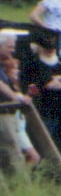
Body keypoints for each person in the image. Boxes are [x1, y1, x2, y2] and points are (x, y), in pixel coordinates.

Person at [19, 29, 61, 155]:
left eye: (52, 48)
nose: (50, 51)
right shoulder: (33, 64)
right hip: (44, 110)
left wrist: (60, 79)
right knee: (45, 144)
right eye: (47, 48)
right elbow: (48, 85)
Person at [0, 36, 44, 167]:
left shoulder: (3, 66)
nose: (12, 50)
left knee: (15, 150)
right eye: (9, 47)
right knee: (11, 150)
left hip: (12, 115)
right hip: (3, 113)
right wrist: (16, 97)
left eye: (13, 47)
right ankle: (20, 183)